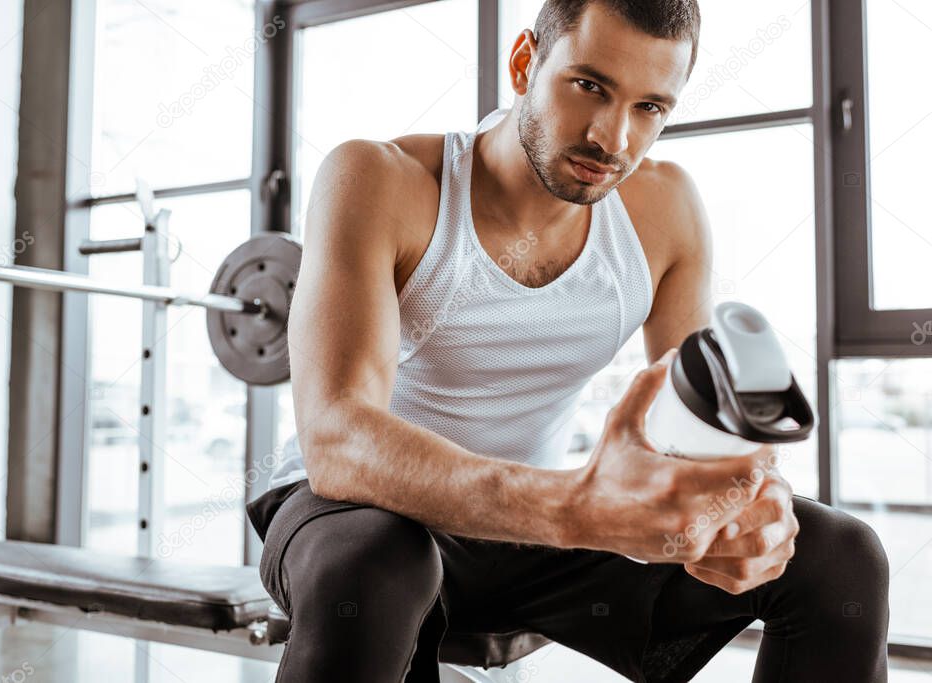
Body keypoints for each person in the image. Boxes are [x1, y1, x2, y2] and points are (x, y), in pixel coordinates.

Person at [249, 1, 890, 680]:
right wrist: (577, 508)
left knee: (839, 554)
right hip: (363, 515)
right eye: (590, 87)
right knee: (376, 564)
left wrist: (741, 509)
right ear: (526, 62)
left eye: (650, 108)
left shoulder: (664, 209)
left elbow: (696, 434)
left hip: (540, 531)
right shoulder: (381, 179)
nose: (612, 138)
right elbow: (339, 440)